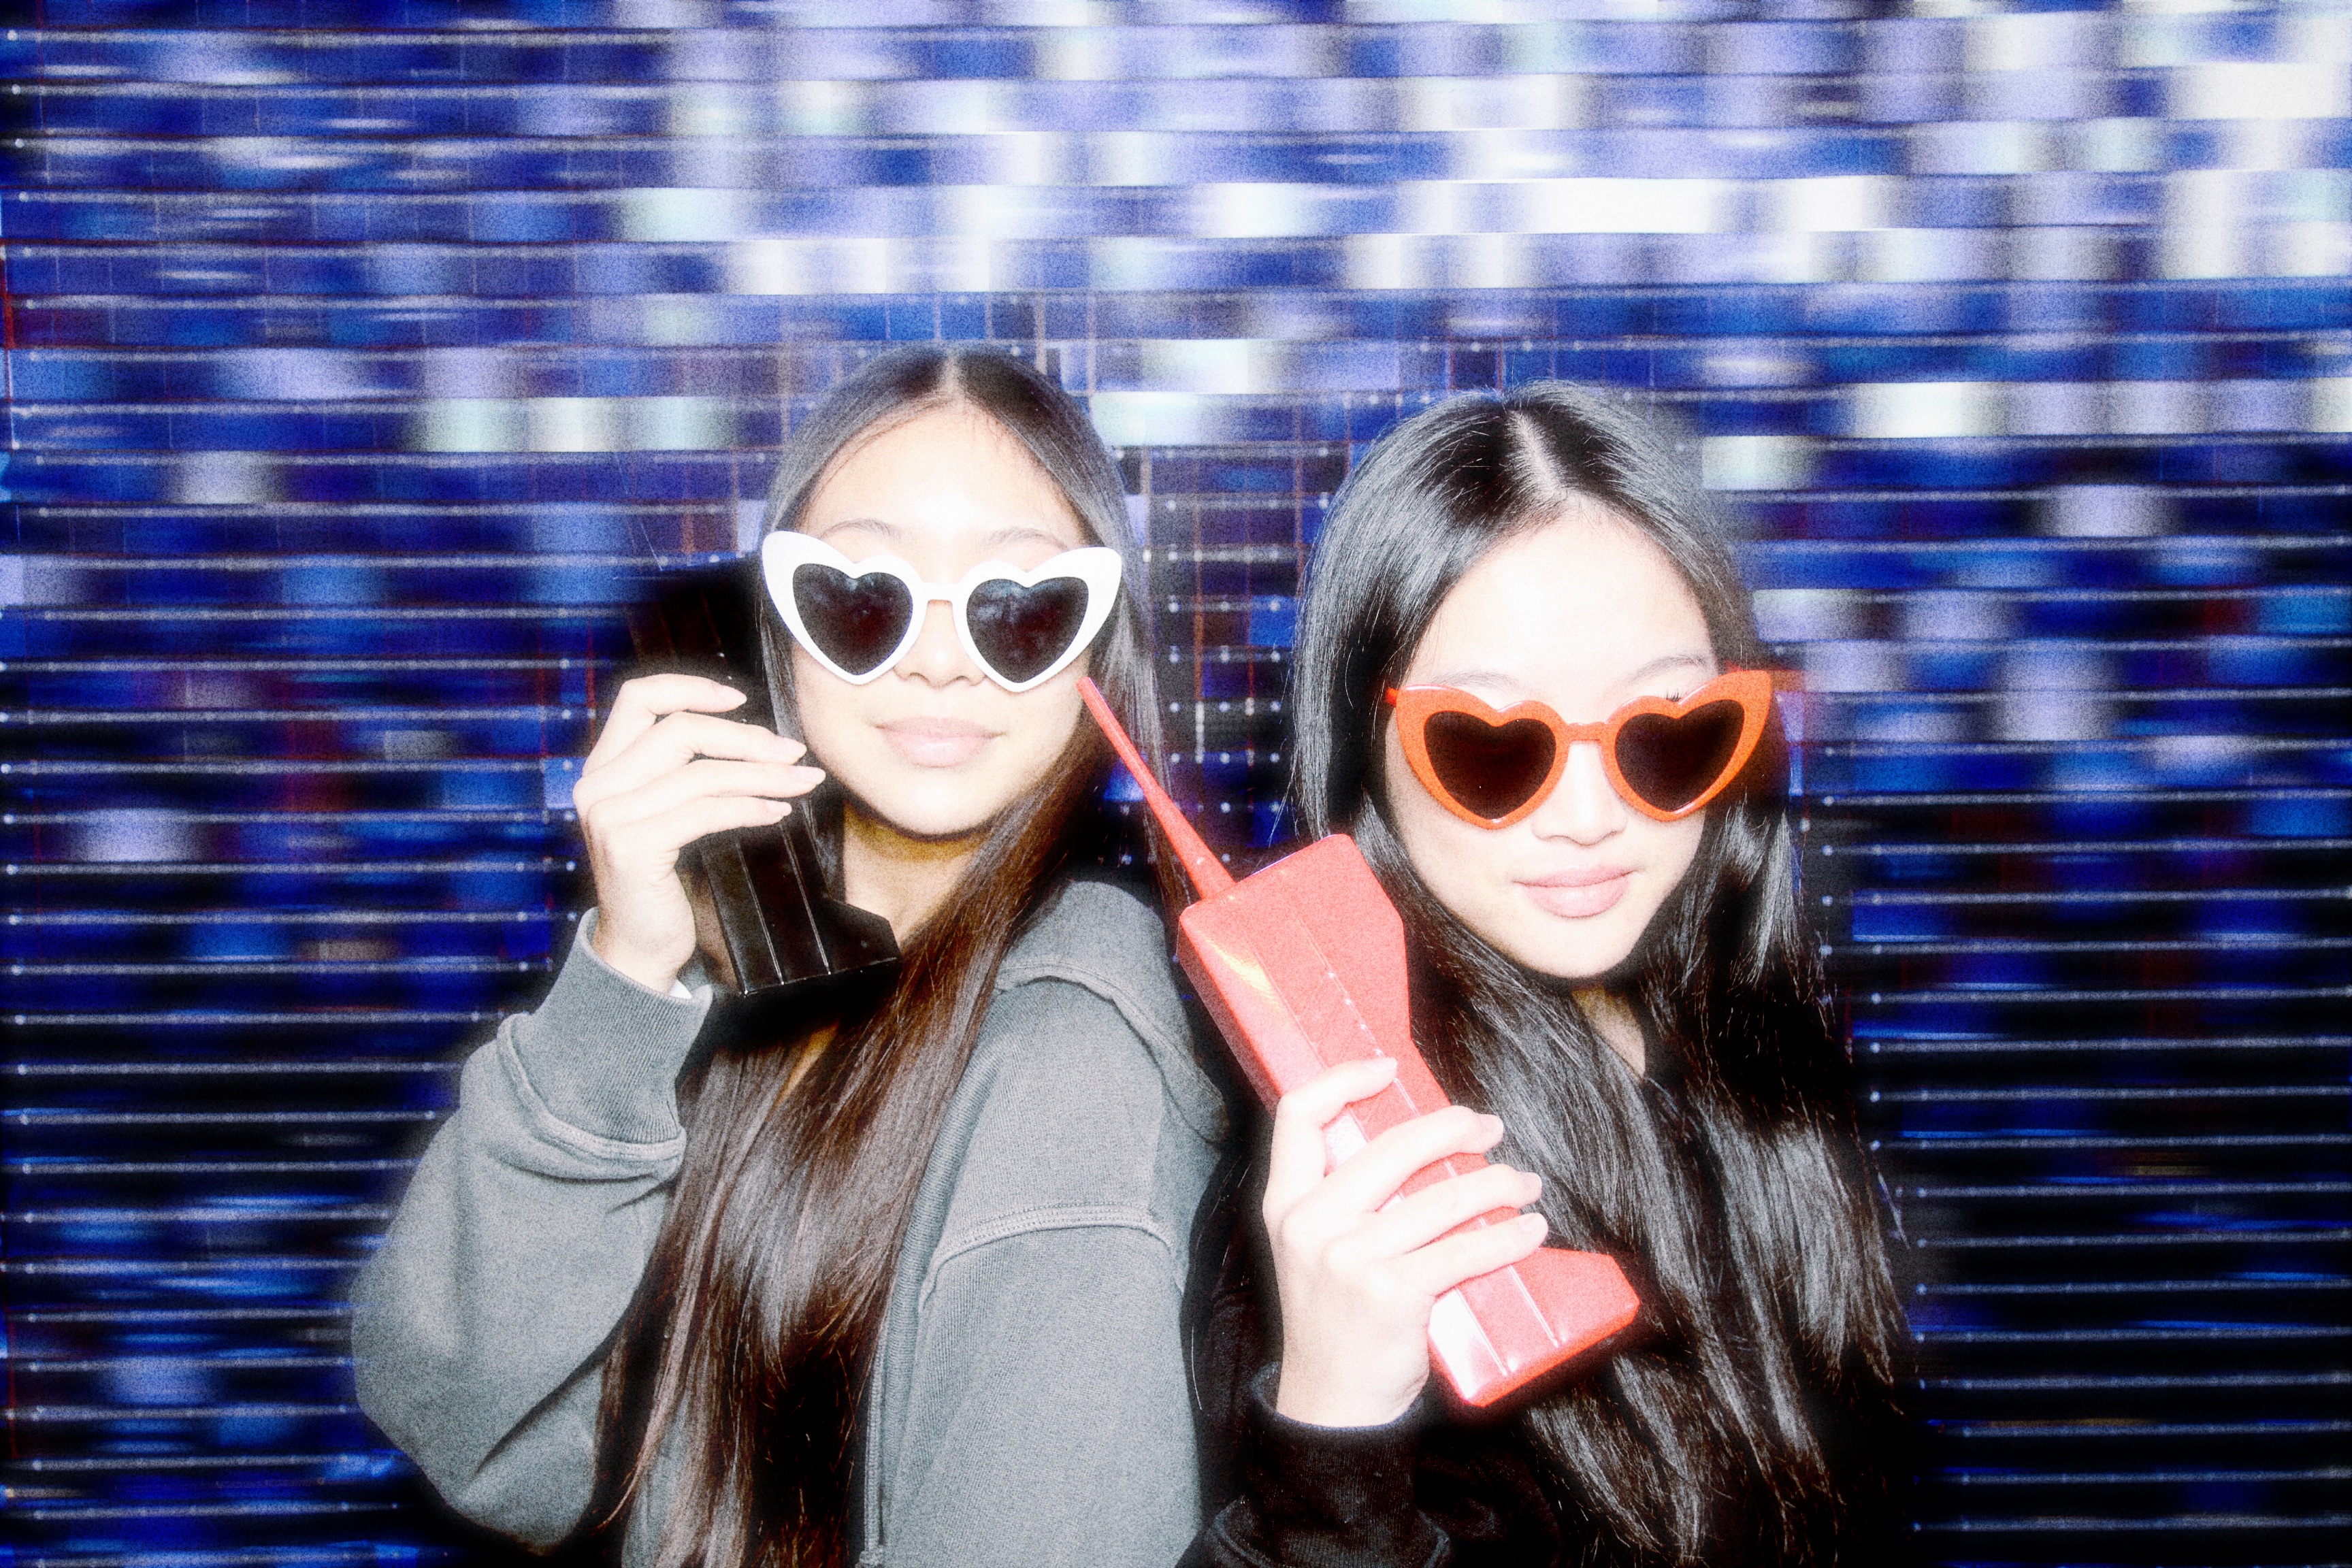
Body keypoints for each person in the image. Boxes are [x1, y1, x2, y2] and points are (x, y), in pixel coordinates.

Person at [354, 344, 1224, 1568]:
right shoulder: (757, 988)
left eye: (1021, 607)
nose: (936, 657)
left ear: (1094, 653)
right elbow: (483, 1432)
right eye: (860, 593)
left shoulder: (1076, 1056)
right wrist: (625, 978)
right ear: (773, 628)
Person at [1181, 382, 1910, 1567]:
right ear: (1369, 745)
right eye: (1492, 745)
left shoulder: (1737, 1055)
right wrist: (1334, 1429)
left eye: (1666, 730)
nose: (1589, 818)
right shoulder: (1348, 1197)